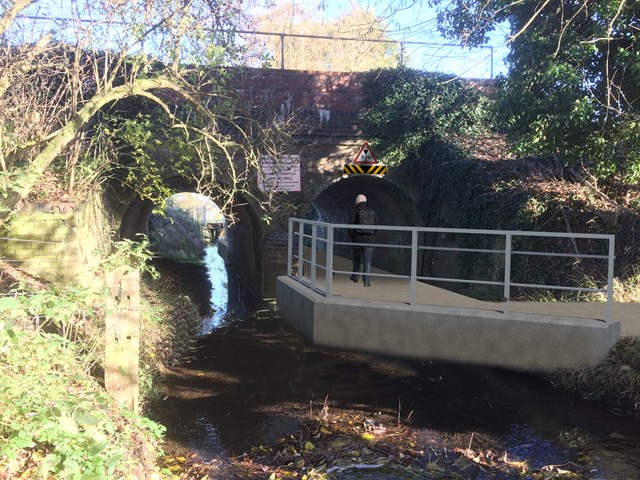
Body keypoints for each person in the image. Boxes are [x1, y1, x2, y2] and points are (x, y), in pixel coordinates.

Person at [348, 194, 376, 287]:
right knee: (367, 261)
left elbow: (350, 226)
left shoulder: (354, 211)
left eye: (355, 200)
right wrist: (372, 237)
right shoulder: (372, 211)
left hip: (357, 239)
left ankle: (355, 277)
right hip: (369, 240)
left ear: (357, 201)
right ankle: (367, 281)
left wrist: (352, 237)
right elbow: (376, 226)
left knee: (356, 259)